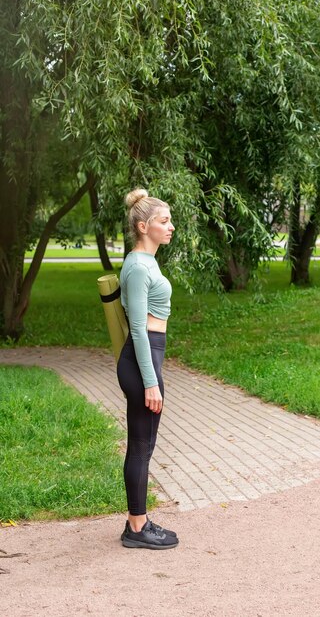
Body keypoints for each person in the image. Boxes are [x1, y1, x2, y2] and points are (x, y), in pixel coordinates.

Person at [117, 187, 178, 549]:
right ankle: (137, 529)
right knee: (140, 446)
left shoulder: (148, 261)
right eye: (164, 221)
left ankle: (136, 521)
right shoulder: (139, 266)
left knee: (145, 444)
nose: (171, 227)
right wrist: (151, 382)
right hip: (141, 362)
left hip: (148, 358)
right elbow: (138, 328)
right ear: (143, 226)